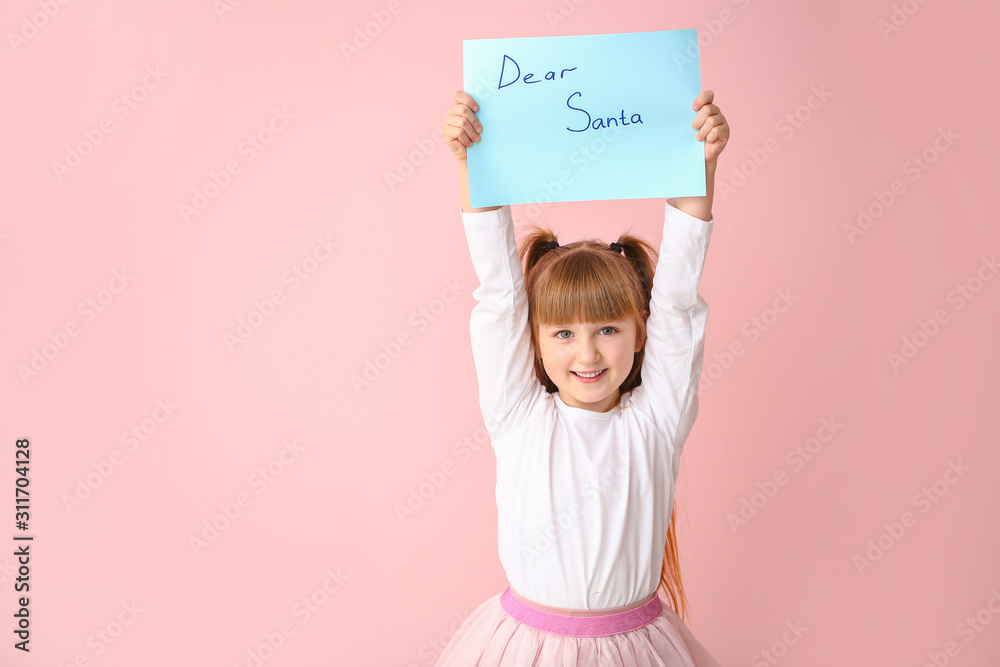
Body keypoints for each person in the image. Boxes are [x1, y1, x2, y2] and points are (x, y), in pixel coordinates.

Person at [436, 87, 730, 666]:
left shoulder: (657, 419)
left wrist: (701, 162)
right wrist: (474, 164)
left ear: (639, 335)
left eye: (608, 330)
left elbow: (677, 302)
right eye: (564, 334)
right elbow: (499, 297)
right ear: (536, 342)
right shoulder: (518, 415)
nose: (587, 353)